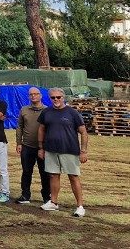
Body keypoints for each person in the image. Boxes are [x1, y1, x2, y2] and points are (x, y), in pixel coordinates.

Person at [38, 88, 89, 217]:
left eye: (58, 97)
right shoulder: (46, 112)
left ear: (63, 97)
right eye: (53, 97)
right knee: (53, 176)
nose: (56, 100)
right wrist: (41, 147)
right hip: (51, 150)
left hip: (69, 150)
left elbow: (83, 132)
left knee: (73, 177)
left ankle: (80, 206)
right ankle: (53, 202)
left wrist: (83, 151)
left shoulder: (73, 113)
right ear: (49, 98)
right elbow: (41, 129)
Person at [15, 87, 50, 204]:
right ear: (28, 96)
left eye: (36, 94)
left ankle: (47, 196)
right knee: (26, 171)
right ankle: (25, 195)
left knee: (45, 173)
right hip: (27, 146)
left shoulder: (47, 110)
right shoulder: (24, 110)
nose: (33, 96)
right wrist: (19, 143)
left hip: (43, 148)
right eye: (31, 94)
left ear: (40, 95)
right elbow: (19, 127)